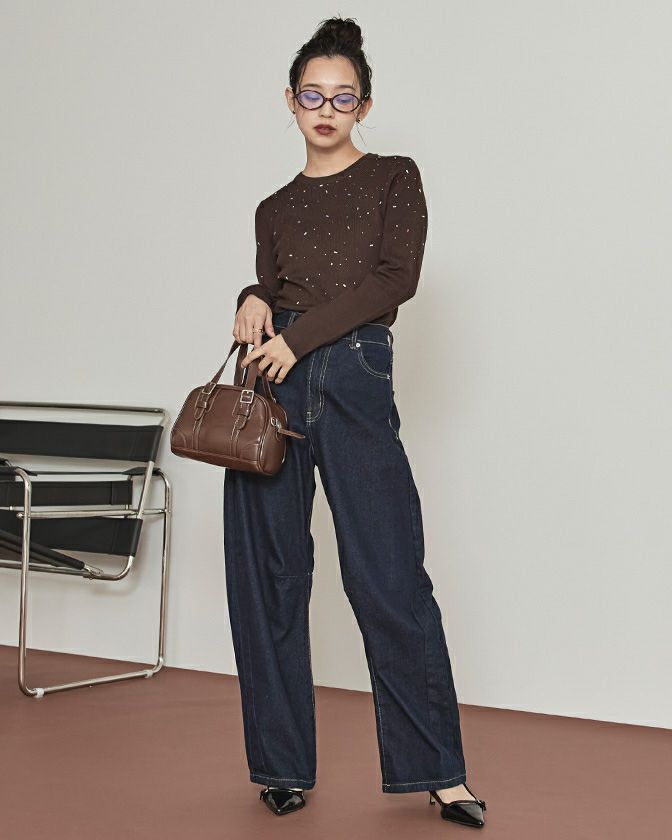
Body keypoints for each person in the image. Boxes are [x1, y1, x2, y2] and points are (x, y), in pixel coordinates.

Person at [223, 16, 487, 828]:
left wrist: (298, 337)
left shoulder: (394, 177)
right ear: (290, 102)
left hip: (350, 373)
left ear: (364, 105)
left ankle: (439, 772)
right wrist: (251, 297)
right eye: (313, 96)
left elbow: (393, 280)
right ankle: (280, 766)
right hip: (270, 382)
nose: (326, 110)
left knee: (389, 575)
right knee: (269, 579)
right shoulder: (273, 206)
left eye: (343, 97)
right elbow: (276, 283)